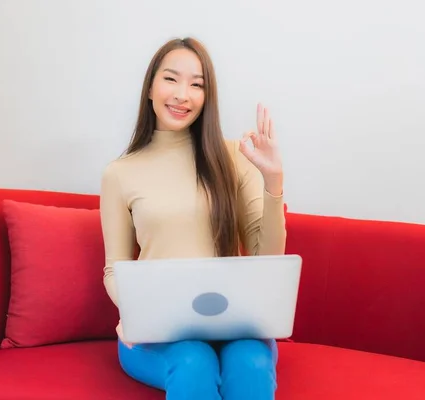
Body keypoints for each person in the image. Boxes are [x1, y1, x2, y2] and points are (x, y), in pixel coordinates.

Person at [99, 37, 286, 400]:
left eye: (196, 84)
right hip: (158, 333)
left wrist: (273, 181)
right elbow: (114, 268)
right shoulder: (120, 173)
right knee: (192, 361)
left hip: (236, 327)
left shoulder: (235, 157)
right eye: (171, 79)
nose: (182, 94)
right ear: (150, 86)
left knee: (251, 363)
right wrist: (136, 312)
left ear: (207, 96)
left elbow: (270, 259)